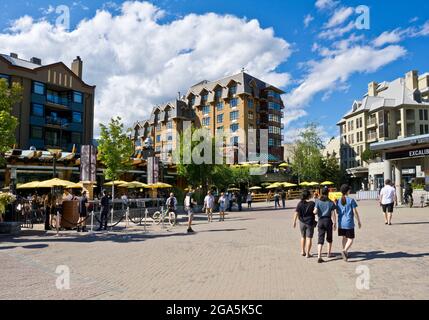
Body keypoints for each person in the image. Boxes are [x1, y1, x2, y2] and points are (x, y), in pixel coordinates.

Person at [337, 184, 362, 262]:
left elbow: (337, 211)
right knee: (350, 239)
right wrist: (358, 221)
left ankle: (345, 252)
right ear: (347, 191)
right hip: (349, 222)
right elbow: (355, 212)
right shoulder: (351, 200)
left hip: (341, 222)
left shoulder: (338, 200)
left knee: (344, 237)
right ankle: (344, 251)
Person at [313, 188, 337, 263]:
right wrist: (335, 223)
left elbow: (315, 212)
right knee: (329, 238)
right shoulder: (331, 202)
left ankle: (319, 256)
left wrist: (316, 211)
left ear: (321, 193)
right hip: (328, 221)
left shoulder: (318, 201)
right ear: (328, 193)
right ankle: (328, 254)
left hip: (320, 221)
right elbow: (333, 214)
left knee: (320, 238)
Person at [293, 189, 316, 258]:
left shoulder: (299, 203)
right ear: (308, 196)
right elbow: (316, 211)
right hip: (310, 223)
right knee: (309, 238)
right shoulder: (312, 203)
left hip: (302, 222)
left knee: (303, 237)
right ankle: (307, 254)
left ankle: (303, 251)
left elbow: (296, 213)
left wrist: (294, 222)